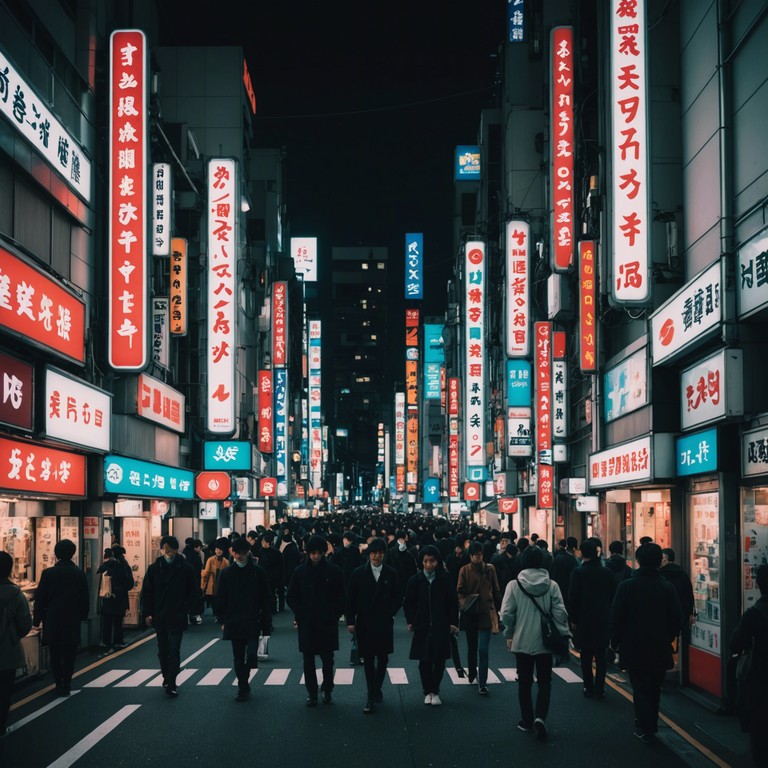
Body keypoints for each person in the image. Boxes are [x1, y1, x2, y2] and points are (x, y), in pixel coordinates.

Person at [609, 543, 682, 745]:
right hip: (659, 646)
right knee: (655, 687)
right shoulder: (666, 587)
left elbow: (616, 618)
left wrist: (614, 643)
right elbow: (677, 618)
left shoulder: (627, 586)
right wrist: (667, 637)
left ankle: (644, 727)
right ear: (660, 561)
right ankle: (651, 725)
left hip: (634, 646)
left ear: (638, 561)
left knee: (640, 688)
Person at [500, 544, 569, 741]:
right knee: (545, 681)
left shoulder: (514, 585)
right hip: (544, 643)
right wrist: (564, 633)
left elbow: (506, 614)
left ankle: (527, 720)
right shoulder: (552, 585)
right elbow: (560, 613)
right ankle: (540, 717)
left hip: (521, 641)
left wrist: (509, 632)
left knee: (524, 681)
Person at [286, 535, 345, 706]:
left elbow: (342, 596)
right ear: (308, 553)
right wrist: (301, 613)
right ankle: (312, 693)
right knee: (308, 660)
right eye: (312, 553)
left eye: (319, 553)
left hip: (326, 621)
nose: (315, 556)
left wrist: (334, 614)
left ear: (323, 553)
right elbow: (291, 596)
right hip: (308, 621)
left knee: (328, 659)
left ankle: (327, 688)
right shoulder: (299, 572)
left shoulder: (334, 571)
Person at [345, 538, 401, 713]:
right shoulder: (358, 573)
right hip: (365, 620)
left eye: (380, 552)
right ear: (369, 553)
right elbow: (350, 599)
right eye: (374, 552)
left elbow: (398, 596)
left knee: (383, 657)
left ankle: (376, 688)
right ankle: (371, 693)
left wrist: (390, 612)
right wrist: (350, 621)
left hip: (384, 620)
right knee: (368, 659)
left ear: (384, 553)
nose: (377, 556)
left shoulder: (391, 573)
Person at [216, 537, 273, 701]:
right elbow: (221, 598)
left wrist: (266, 621)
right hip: (234, 619)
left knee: (252, 654)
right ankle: (242, 685)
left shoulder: (258, 572)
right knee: (238, 656)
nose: (240, 557)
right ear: (232, 552)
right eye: (238, 554)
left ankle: (244, 679)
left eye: (243, 553)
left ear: (248, 552)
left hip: (252, 618)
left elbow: (266, 597)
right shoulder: (226, 573)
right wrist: (221, 620)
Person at [403, 545, 459, 706]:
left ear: (437, 562)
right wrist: (411, 620)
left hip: (441, 625)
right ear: (421, 562)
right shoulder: (415, 580)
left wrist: (453, 623)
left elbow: (452, 603)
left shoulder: (444, 579)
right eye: (426, 561)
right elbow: (408, 603)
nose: (429, 564)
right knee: (424, 661)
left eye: (432, 561)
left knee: (440, 660)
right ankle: (428, 691)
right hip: (422, 625)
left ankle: (435, 690)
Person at [140, 535, 196, 698]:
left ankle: (171, 682)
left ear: (176, 549)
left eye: (170, 549)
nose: (167, 551)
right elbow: (147, 593)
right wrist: (148, 613)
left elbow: (192, 592)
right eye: (165, 548)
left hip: (177, 615)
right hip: (160, 615)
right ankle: (166, 676)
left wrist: (185, 609)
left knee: (174, 649)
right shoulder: (154, 568)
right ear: (161, 549)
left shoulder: (185, 569)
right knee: (163, 650)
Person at [32, 539, 89, 697]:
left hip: (52, 619)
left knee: (55, 652)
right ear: (72, 553)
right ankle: (67, 683)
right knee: (70, 653)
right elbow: (85, 598)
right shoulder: (79, 573)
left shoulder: (48, 573)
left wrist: (36, 620)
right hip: (72, 619)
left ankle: (58, 683)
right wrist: (83, 615)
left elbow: (40, 598)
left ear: (56, 554)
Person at [729, 564, 768, 766]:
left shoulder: (754, 614)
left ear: (759, 584)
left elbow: (736, 643)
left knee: (759, 723)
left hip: (760, 676)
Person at [568, 538, 616, 699]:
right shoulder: (607, 573)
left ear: (582, 554)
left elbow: (573, 598)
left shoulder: (579, 572)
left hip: (584, 619)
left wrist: (573, 619)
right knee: (601, 655)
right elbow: (612, 597)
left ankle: (588, 687)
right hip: (602, 618)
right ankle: (600, 688)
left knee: (586, 655)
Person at [457, 541, 501, 695]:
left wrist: (498, 609)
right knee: (472, 647)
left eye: (480, 554)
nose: (478, 557)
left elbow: (496, 589)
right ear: (470, 556)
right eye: (475, 555)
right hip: (470, 612)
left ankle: (482, 682)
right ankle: (472, 673)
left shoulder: (490, 569)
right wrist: (465, 603)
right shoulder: (464, 570)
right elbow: (460, 591)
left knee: (483, 649)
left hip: (486, 612)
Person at [0, 550, 32, 735]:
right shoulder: (16, 595)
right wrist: (12, 635)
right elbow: (25, 625)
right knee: (4, 691)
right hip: (7, 652)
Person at [96, 547, 131, 651]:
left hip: (107, 598)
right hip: (120, 599)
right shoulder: (124, 566)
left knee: (107, 622)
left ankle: (106, 642)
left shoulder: (103, 566)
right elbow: (129, 584)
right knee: (118, 622)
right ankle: (118, 641)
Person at [383, 529, 417, 603]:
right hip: (406, 579)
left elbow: (385, 564)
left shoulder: (390, 549)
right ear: (405, 537)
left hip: (394, 580)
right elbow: (413, 568)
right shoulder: (411, 549)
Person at [201, 538, 230, 621]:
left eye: (220, 550)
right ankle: (218, 615)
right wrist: (202, 587)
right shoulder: (210, 560)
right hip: (212, 584)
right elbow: (206, 574)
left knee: (221, 601)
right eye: (216, 549)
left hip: (222, 584)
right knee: (214, 601)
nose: (218, 551)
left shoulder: (226, 561)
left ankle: (220, 616)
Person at [256, 531, 284, 614]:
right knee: (269, 593)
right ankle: (270, 608)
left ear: (267, 542)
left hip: (272, 576)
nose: (261, 542)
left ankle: (272, 608)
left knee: (271, 593)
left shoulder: (274, 552)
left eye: (263, 541)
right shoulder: (263, 550)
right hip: (268, 575)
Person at [182, 538, 204, 624]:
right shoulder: (196, 556)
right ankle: (194, 616)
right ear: (197, 547)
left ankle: (187, 618)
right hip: (195, 580)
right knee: (195, 598)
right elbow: (199, 569)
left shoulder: (184, 553)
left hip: (185, 580)